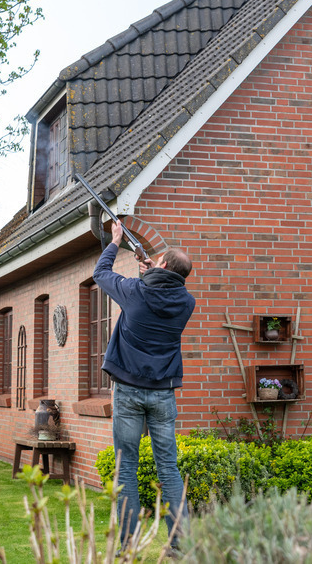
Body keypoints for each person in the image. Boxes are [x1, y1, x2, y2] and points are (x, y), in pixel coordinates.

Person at [93, 220, 195, 555]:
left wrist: (115, 241)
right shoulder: (186, 303)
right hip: (164, 392)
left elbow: (101, 273)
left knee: (127, 468)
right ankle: (180, 548)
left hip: (128, 391)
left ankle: (128, 548)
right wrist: (153, 271)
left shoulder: (136, 292)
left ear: (163, 263)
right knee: (169, 467)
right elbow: (162, 295)